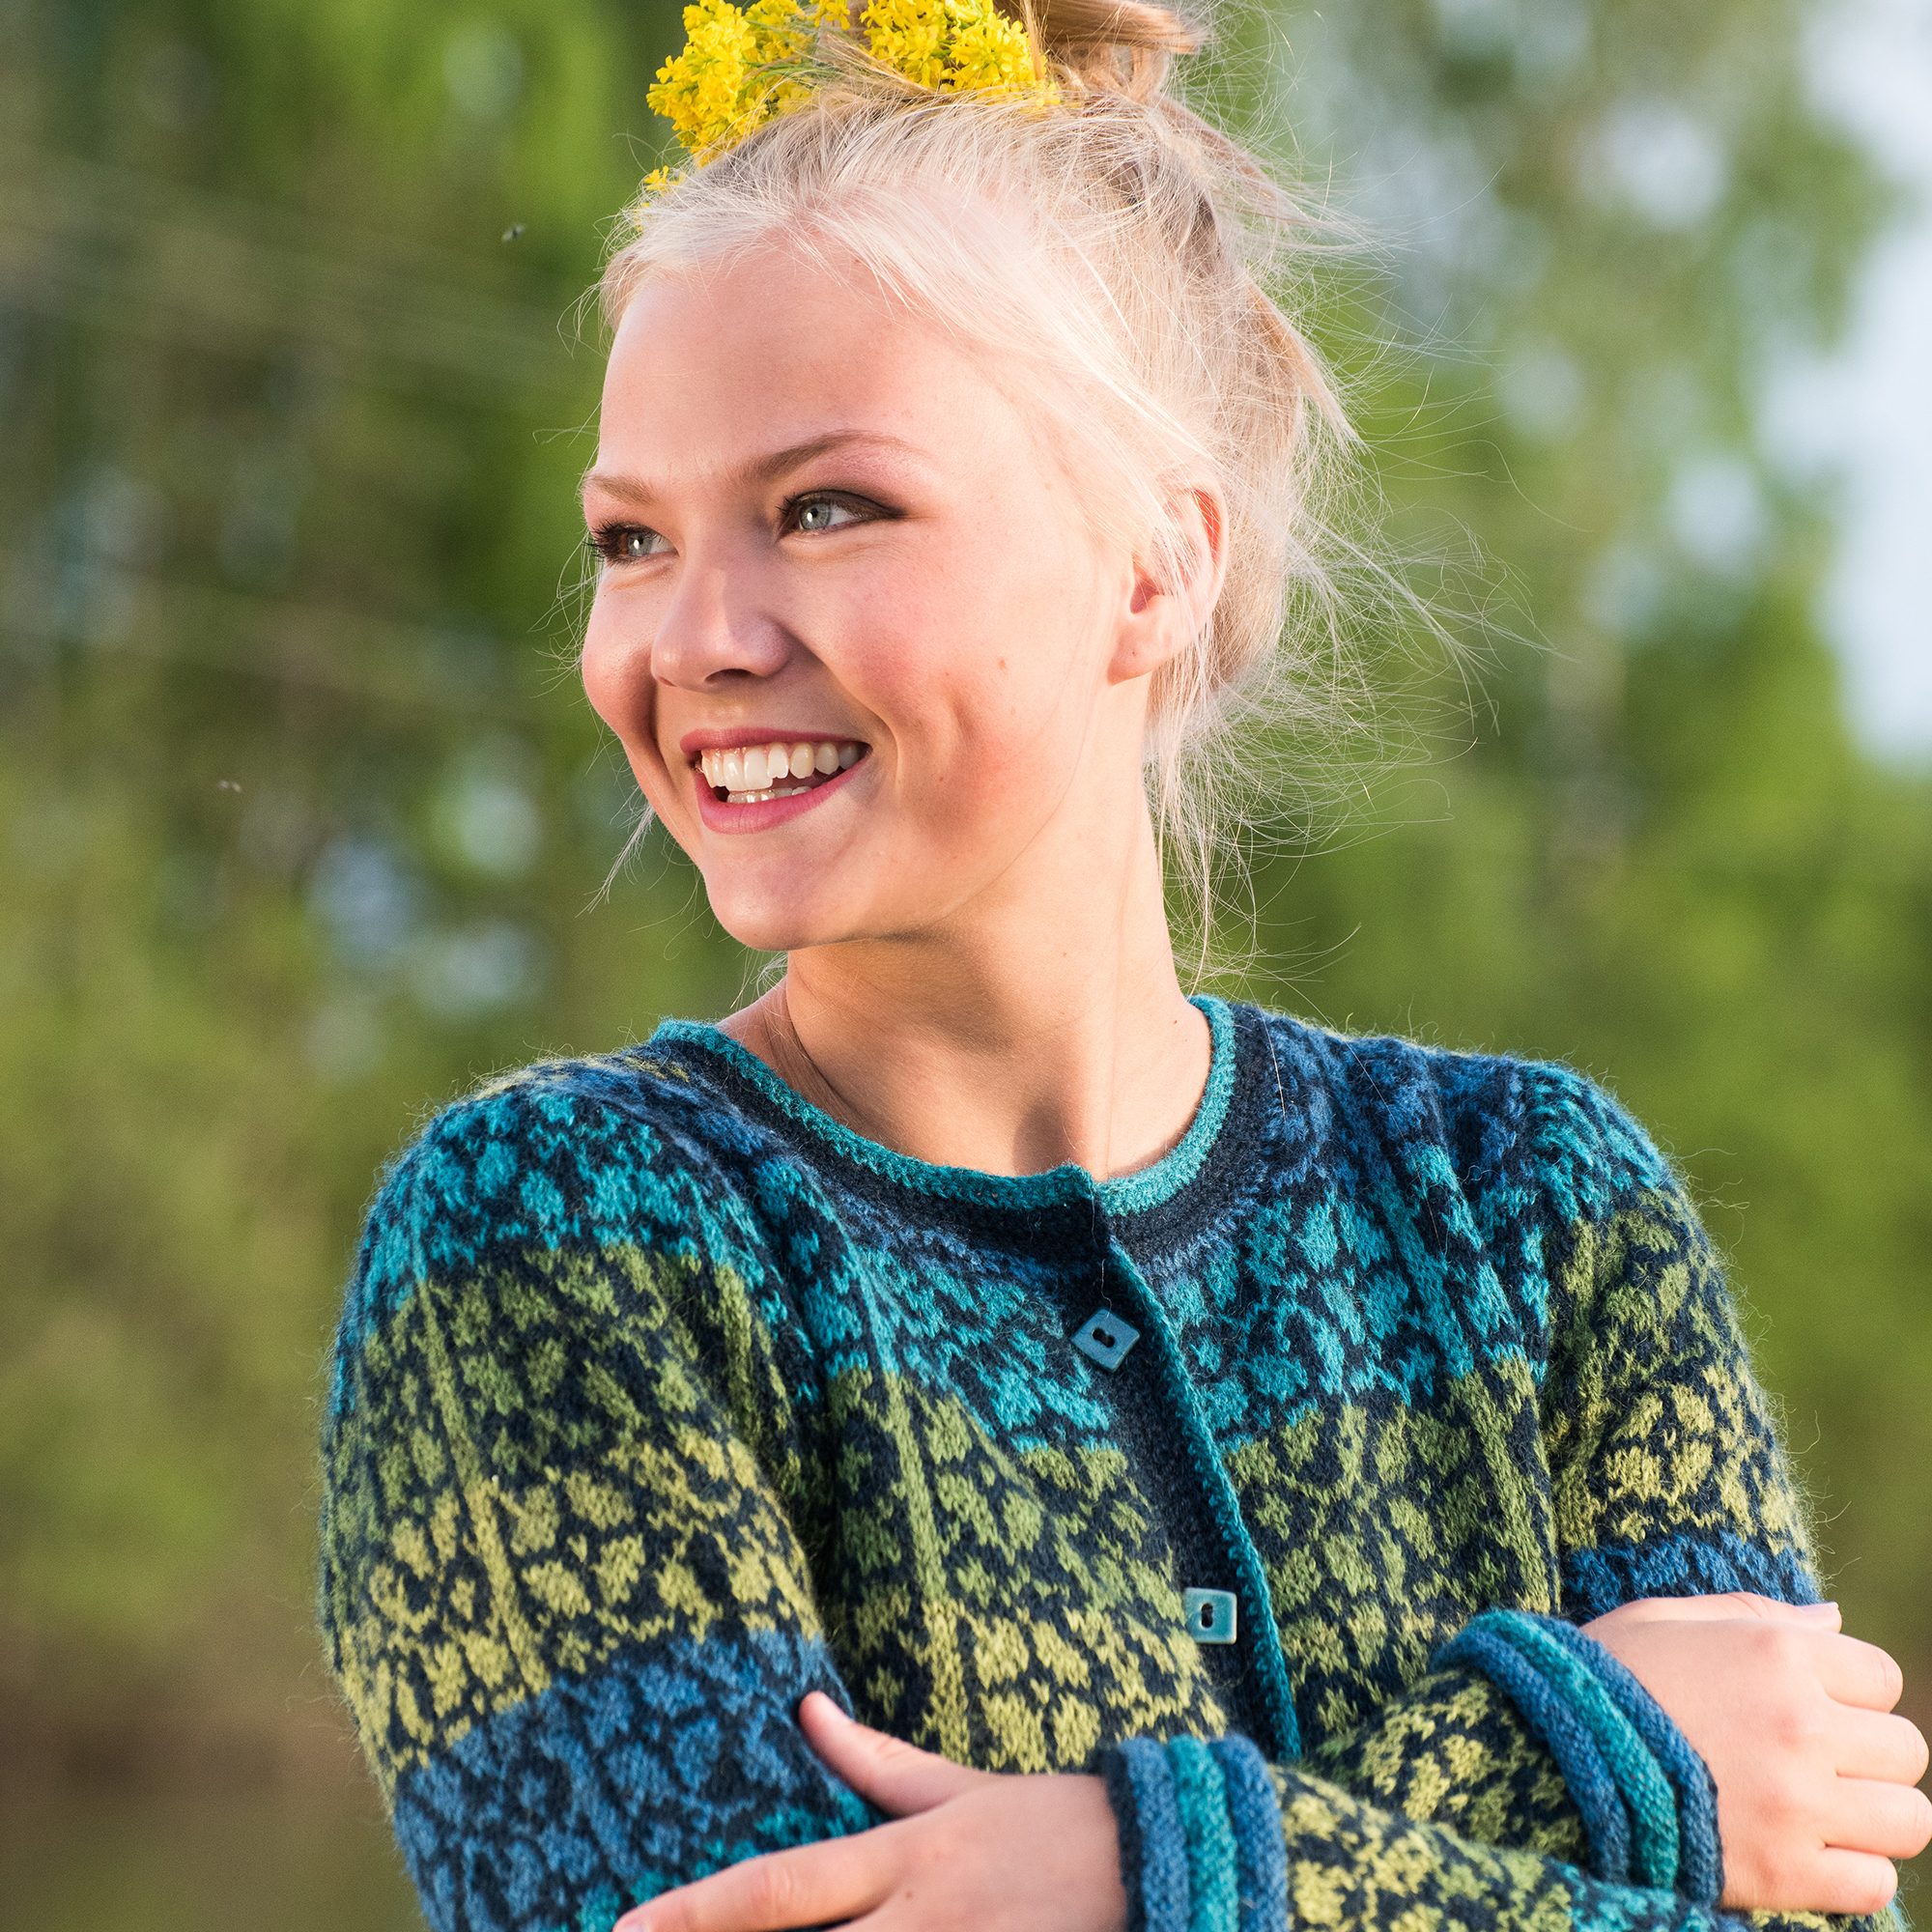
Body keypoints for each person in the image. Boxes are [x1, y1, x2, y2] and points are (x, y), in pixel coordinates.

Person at [317, 3, 1932, 1929]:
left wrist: (1107, 1873)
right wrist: (1577, 1757)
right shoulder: (545, 1242)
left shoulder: (1539, 1211)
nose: (696, 635)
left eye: (826, 507)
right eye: (632, 538)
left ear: (1151, 567)